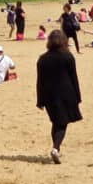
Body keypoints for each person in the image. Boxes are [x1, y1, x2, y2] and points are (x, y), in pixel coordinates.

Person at [36, 29, 83, 164]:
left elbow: (40, 81)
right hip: (67, 93)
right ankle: (56, 148)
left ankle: (56, 148)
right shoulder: (68, 57)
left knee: (56, 122)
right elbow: (74, 78)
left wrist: (40, 100)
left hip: (49, 95)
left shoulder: (43, 59)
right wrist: (78, 97)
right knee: (62, 123)